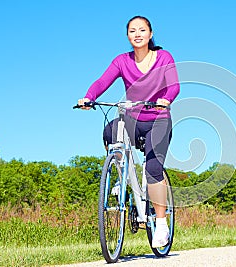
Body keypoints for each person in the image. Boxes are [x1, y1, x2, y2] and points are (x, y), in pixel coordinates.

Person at [77, 15, 180, 248]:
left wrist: (165, 99)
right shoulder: (122, 61)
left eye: (142, 30)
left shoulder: (163, 57)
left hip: (158, 120)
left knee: (154, 168)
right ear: (127, 36)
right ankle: (122, 174)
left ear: (150, 34)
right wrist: (89, 97)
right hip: (132, 119)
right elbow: (102, 81)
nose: (137, 34)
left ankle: (161, 224)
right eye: (132, 31)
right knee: (109, 131)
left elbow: (174, 85)